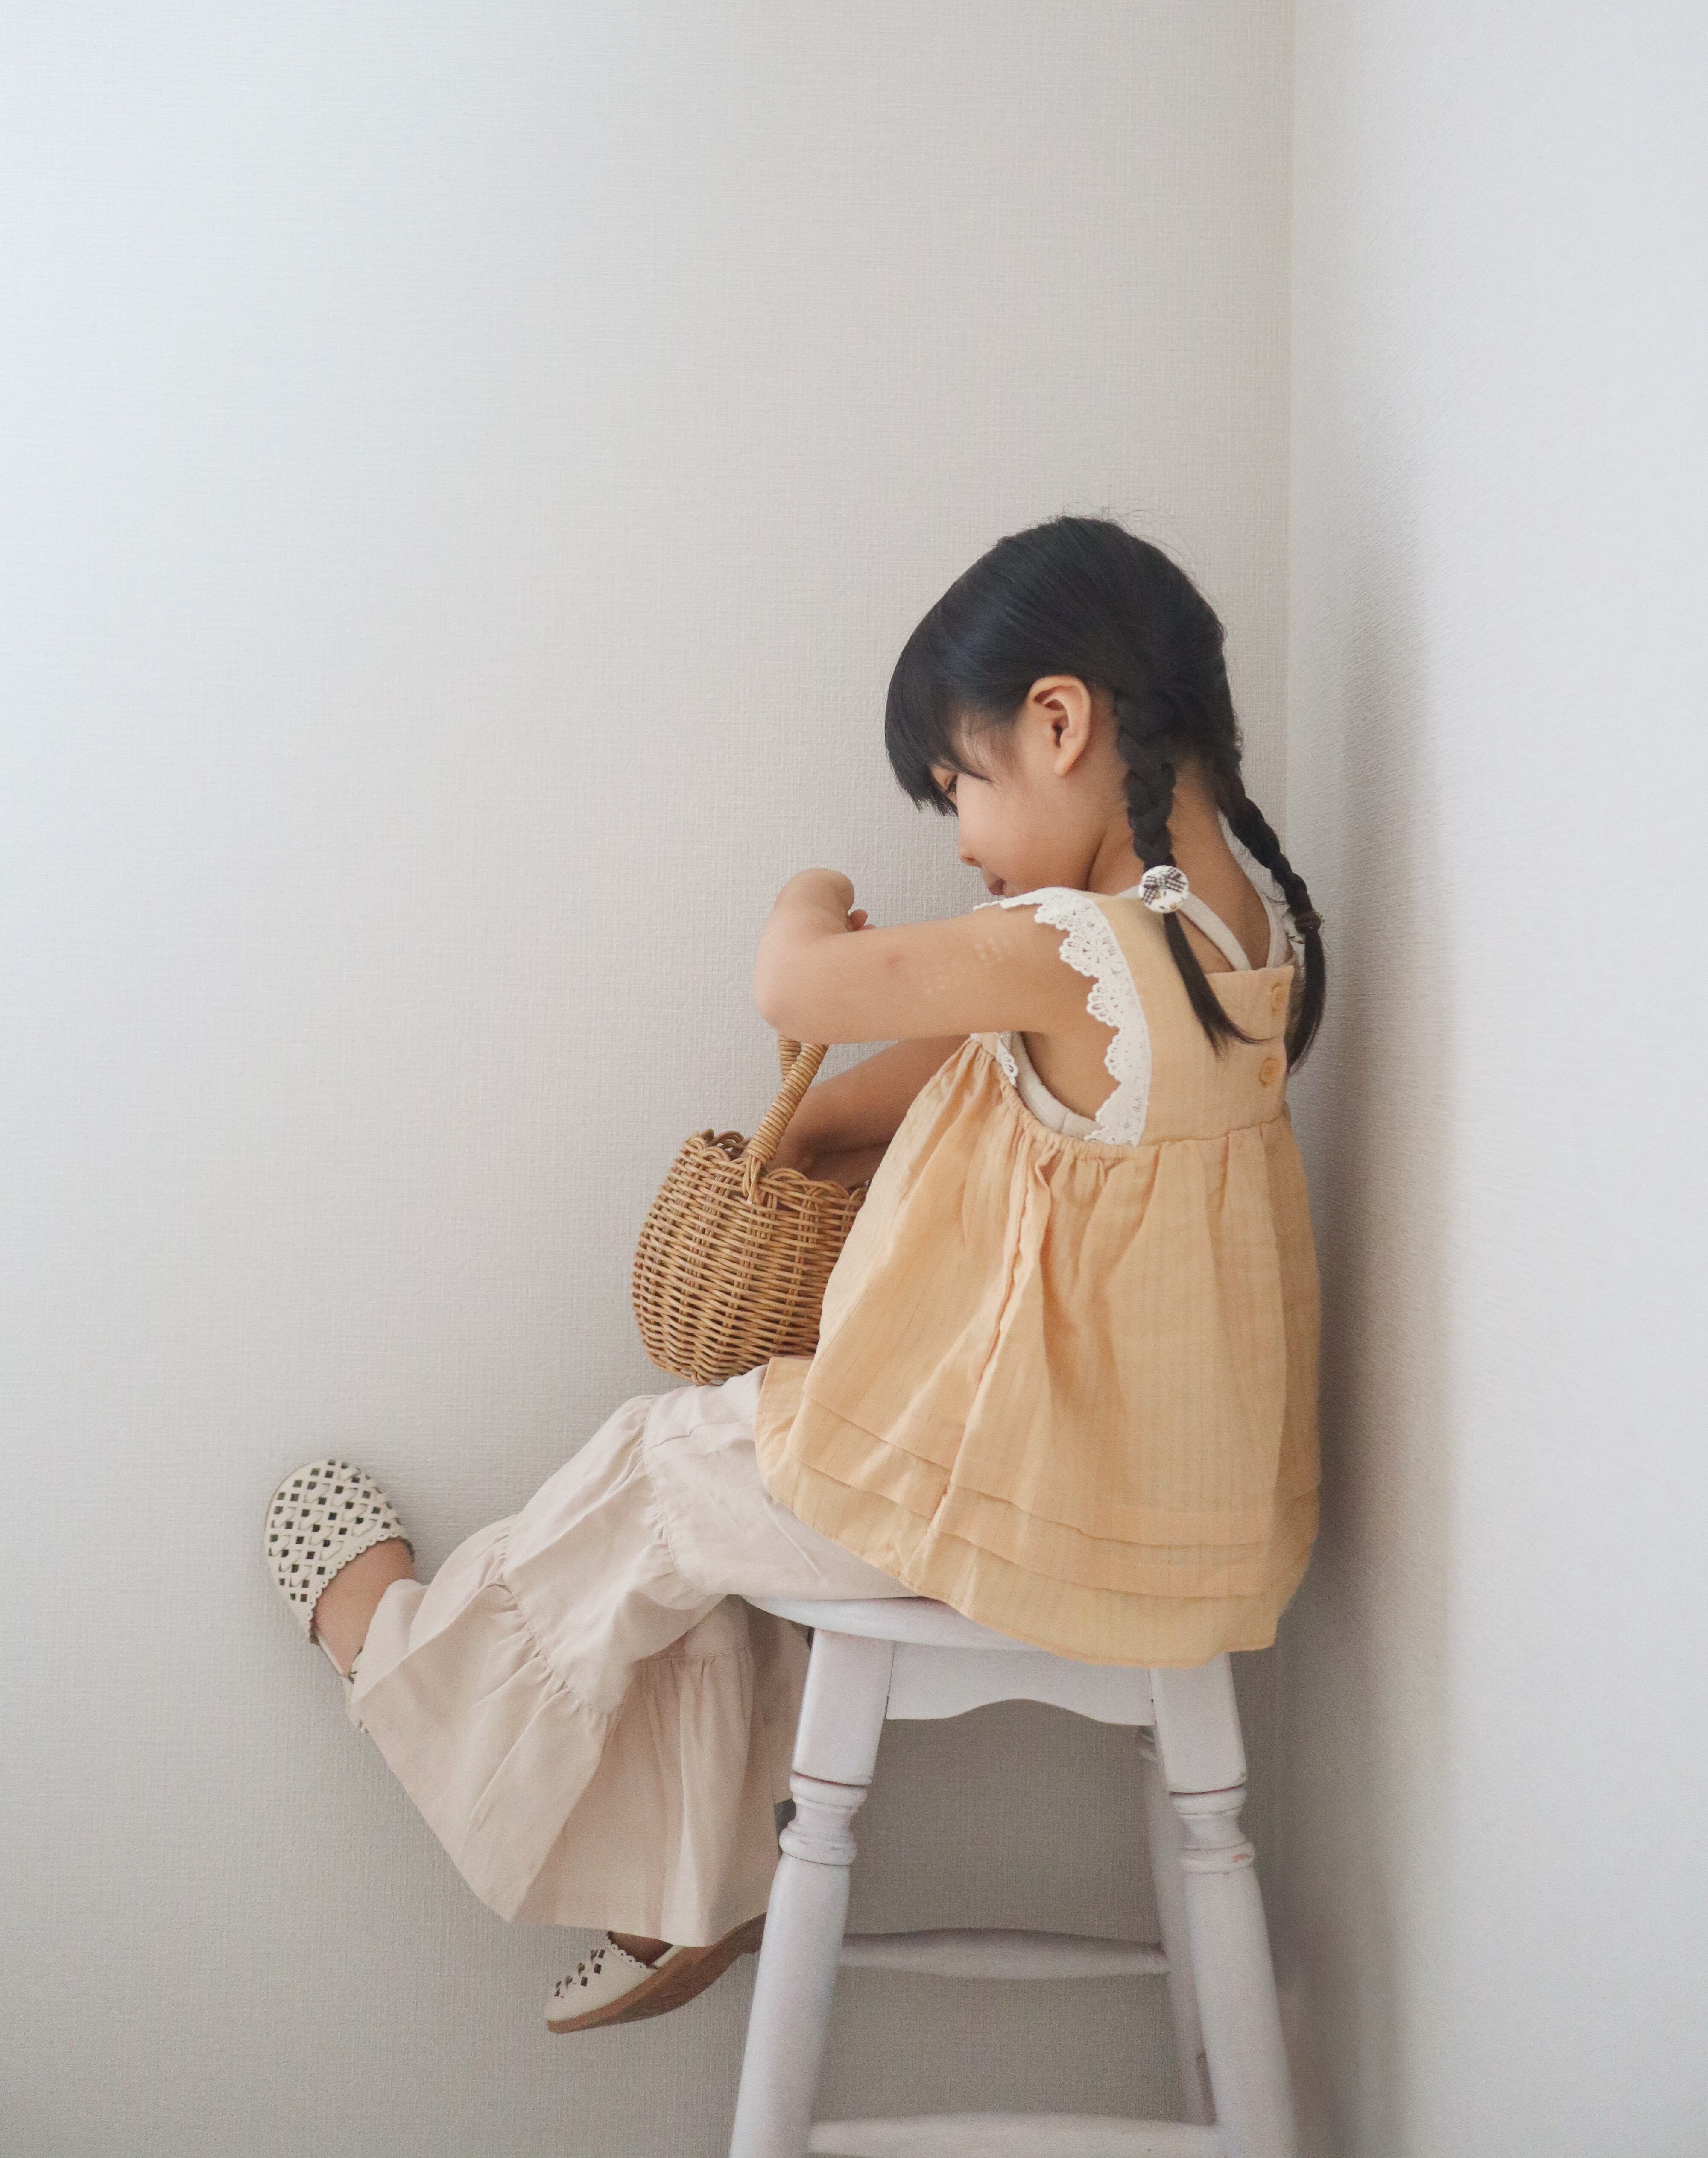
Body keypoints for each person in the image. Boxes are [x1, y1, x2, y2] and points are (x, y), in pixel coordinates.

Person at [263, 515, 1325, 2034]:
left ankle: (407, 1667)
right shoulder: (1235, 936)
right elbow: (975, 1073)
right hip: (1165, 1521)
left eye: (955, 788)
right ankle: (676, 1887)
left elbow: (794, 985)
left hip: (1029, 1506)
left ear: (1061, 721)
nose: (957, 838)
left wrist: (812, 889)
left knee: (659, 1464)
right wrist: (815, 1135)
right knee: (743, 1482)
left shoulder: (1080, 945)